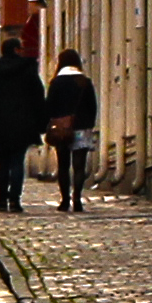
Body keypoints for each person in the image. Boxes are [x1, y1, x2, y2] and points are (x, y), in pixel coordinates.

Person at [0, 39, 46, 213]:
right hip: (23, 123)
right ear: (16, 49)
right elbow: (38, 96)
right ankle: (15, 200)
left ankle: (1, 199)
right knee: (17, 162)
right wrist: (40, 122)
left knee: (3, 162)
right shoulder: (27, 69)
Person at [44, 53, 101, 211]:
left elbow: (49, 106)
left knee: (63, 165)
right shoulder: (84, 81)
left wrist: (50, 123)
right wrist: (89, 124)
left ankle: (64, 200)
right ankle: (77, 198)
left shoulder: (56, 82)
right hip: (81, 126)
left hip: (61, 128)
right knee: (79, 165)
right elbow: (92, 106)